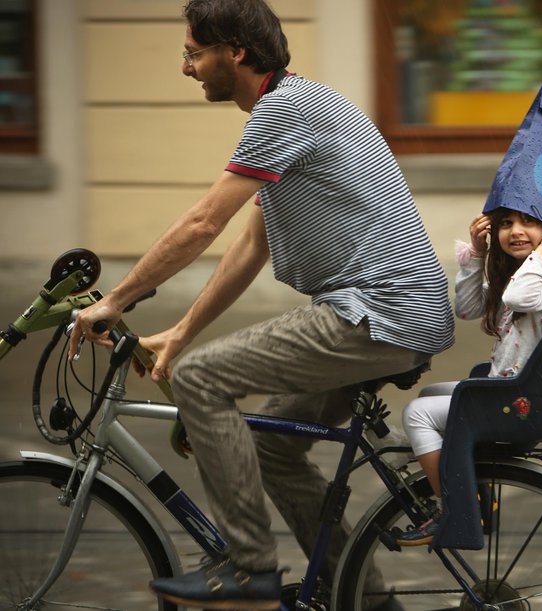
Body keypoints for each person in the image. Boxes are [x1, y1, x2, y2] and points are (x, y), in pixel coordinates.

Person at [67, 0, 454, 609]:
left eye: (194, 53)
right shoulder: (294, 109)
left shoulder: (287, 109)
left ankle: (249, 569)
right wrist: (182, 330)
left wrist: (114, 301)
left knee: (199, 380)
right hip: (387, 312)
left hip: (376, 312)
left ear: (235, 52)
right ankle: (366, 599)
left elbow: (202, 224)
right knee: (273, 446)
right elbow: (249, 247)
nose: (186, 68)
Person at [396, 207, 542, 546]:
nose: (515, 231)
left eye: (528, 222)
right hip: (513, 391)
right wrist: (477, 255)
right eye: (506, 224)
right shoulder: (526, 272)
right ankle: (472, 487)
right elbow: (466, 309)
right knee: (429, 395)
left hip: (522, 403)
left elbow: (518, 297)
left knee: (416, 415)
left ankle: (453, 510)